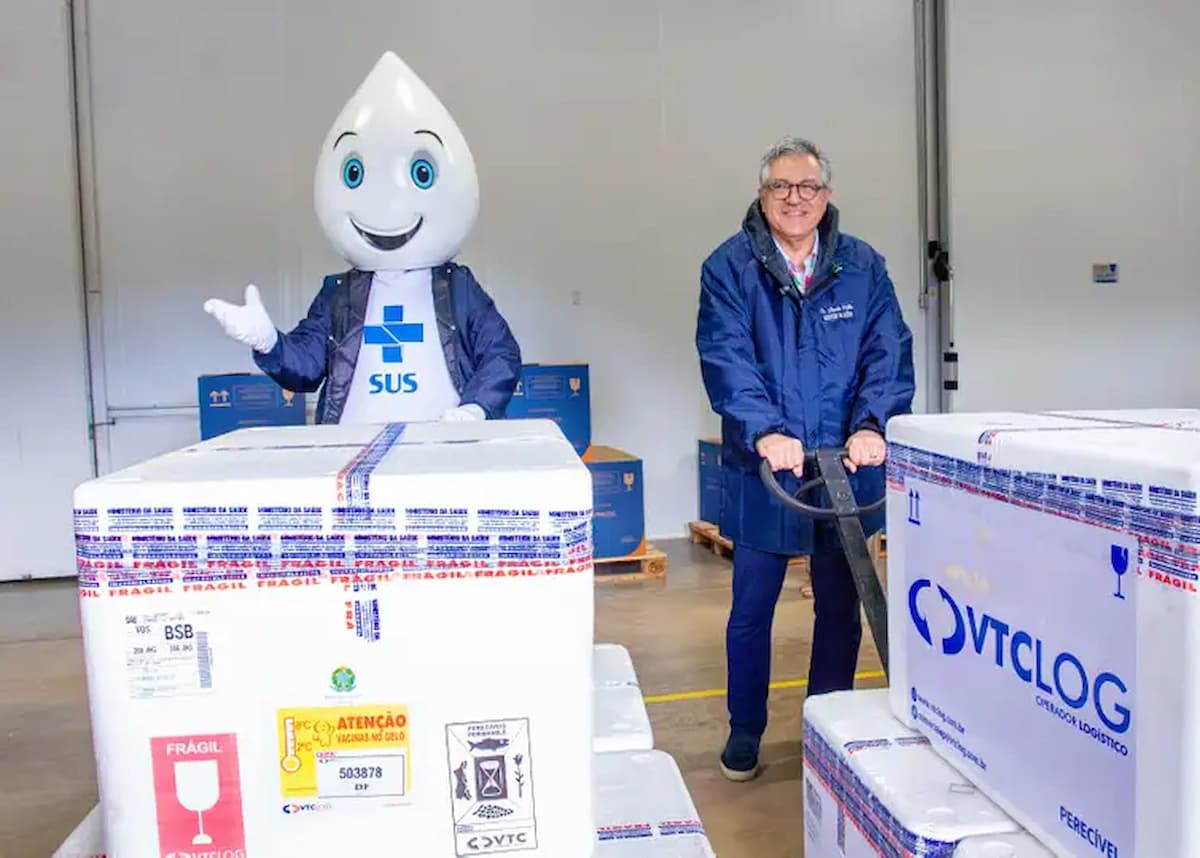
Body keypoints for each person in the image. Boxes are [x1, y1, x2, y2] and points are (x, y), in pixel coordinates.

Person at [695, 136, 915, 781]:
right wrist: (764, 430)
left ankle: (829, 724)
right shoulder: (729, 267)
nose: (795, 199)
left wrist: (873, 424)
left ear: (828, 196)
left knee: (842, 608)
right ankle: (745, 730)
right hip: (767, 468)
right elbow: (725, 353)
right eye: (780, 188)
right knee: (751, 609)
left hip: (845, 464)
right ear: (762, 196)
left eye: (807, 188)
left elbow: (888, 351)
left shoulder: (862, 266)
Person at [203, 51, 521, 425]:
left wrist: (476, 407)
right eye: (354, 174)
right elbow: (305, 368)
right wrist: (269, 342)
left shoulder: (459, 290)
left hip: (439, 452)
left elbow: (501, 354)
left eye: (421, 173)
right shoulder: (338, 296)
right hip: (354, 453)